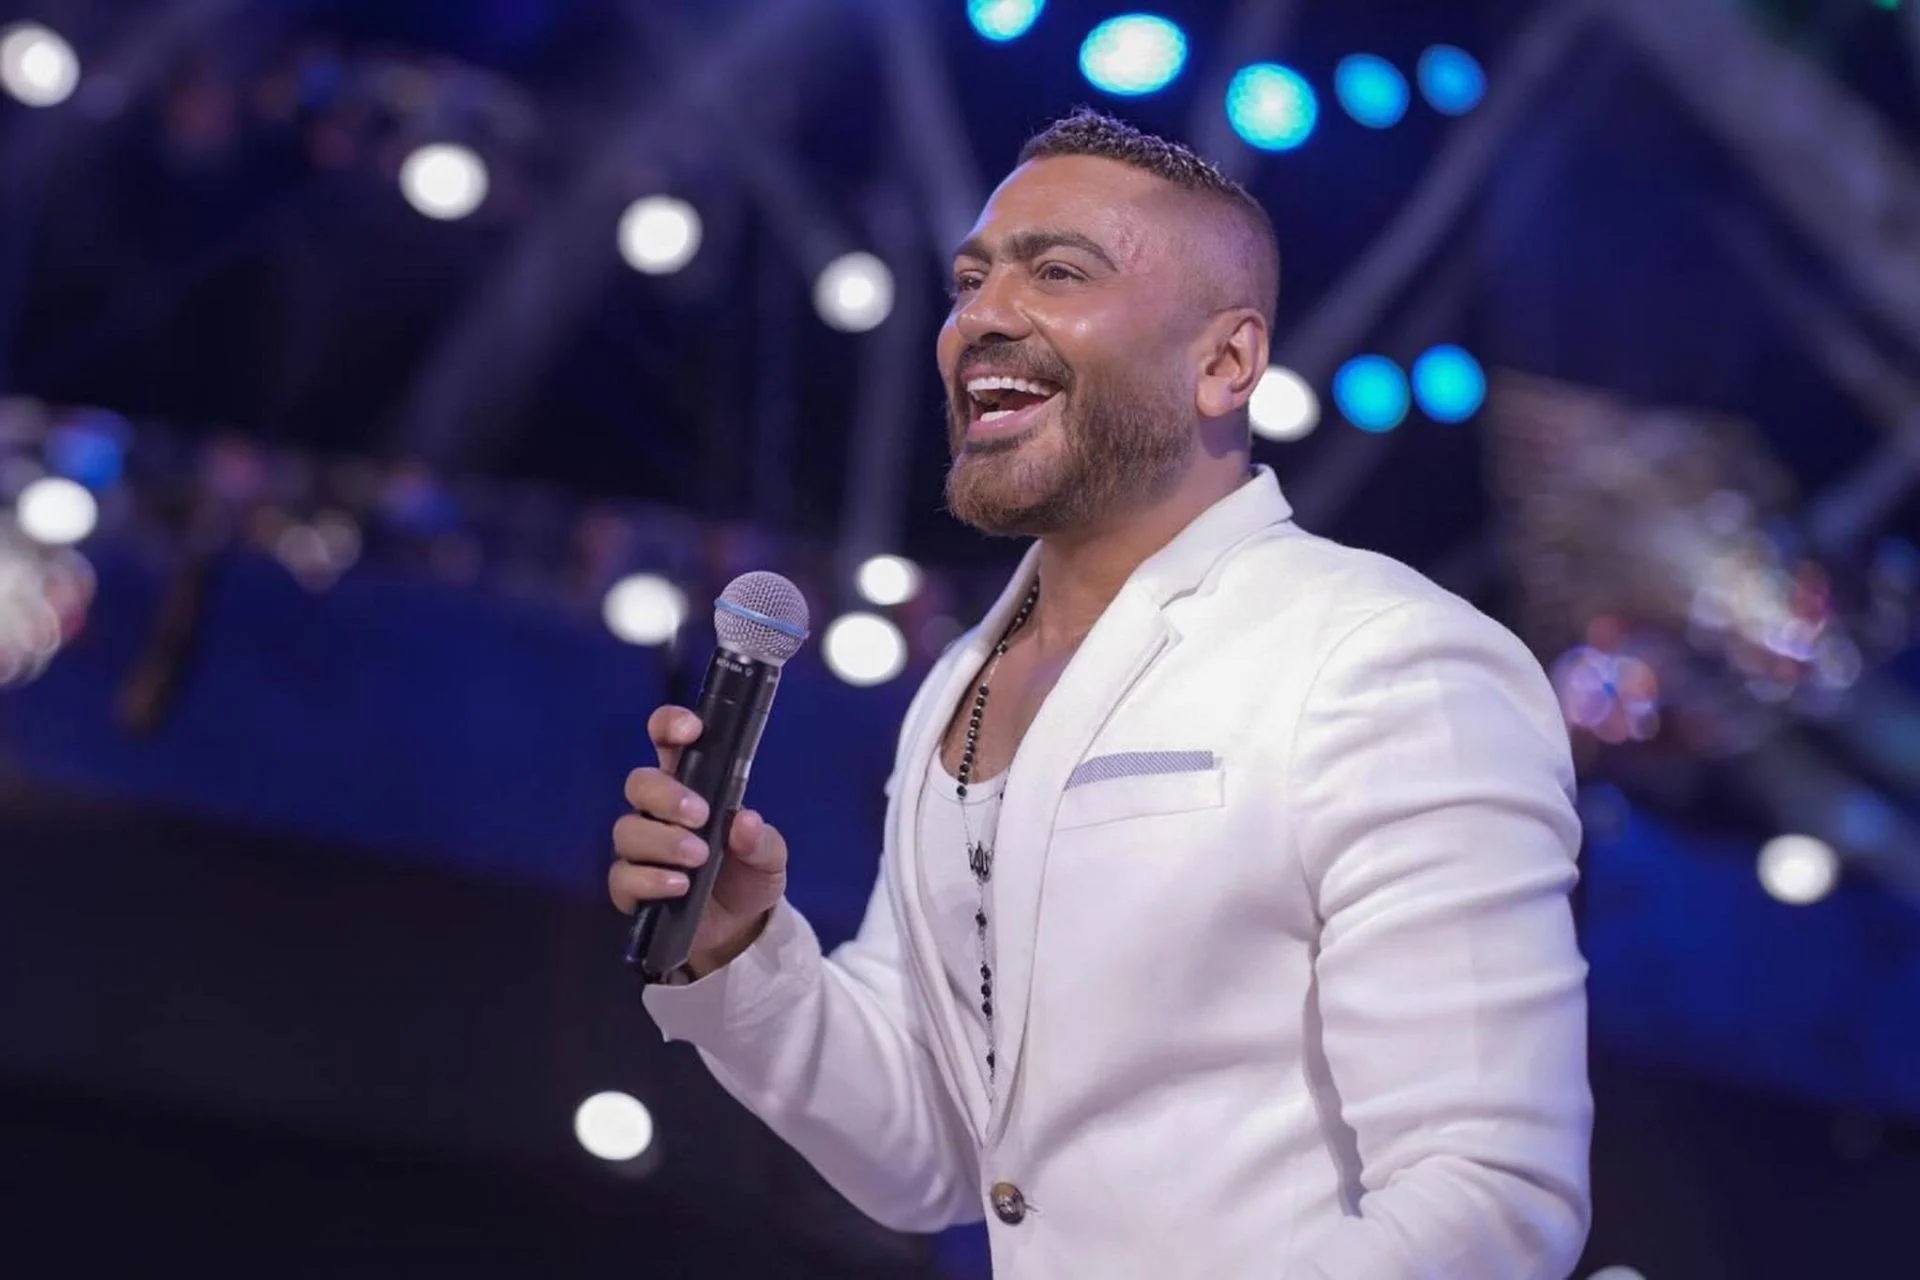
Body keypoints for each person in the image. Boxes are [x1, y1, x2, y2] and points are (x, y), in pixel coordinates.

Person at [610, 109, 1592, 1279]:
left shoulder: (1382, 657)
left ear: (1225, 364)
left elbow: (1488, 1199)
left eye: (1058, 273)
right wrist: (737, 951)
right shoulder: (961, 684)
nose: (982, 316)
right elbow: (934, 1149)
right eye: (970, 279)